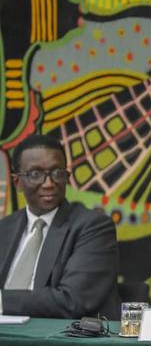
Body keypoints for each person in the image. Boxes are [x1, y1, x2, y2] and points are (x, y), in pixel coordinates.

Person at [0, 135, 120, 318]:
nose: (48, 184)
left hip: (55, 341)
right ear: (18, 182)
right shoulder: (4, 229)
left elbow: (72, 301)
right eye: (35, 174)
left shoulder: (93, 227)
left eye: (57, 173)